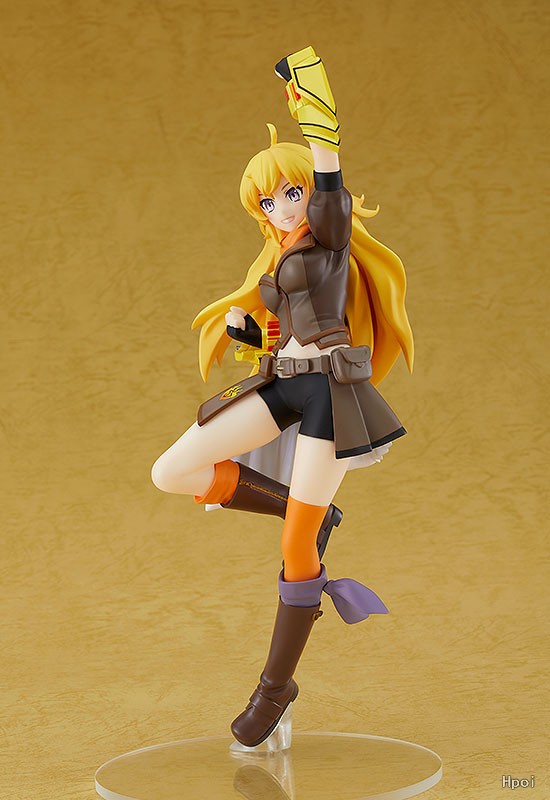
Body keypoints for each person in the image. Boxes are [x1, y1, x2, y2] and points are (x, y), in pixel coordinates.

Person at [151, 46, 414, 749]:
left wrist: (310, 91)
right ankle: (313, 511)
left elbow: (329, 168)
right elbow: (280, 322)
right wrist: (248, 331)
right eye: (266, 202)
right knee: (173, 471)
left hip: (330, 394)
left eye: (288, 194)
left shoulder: (330, 237)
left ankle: (275, 688)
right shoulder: (280, 256)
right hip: (282, 381)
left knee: (297, 545)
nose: (279, 208)